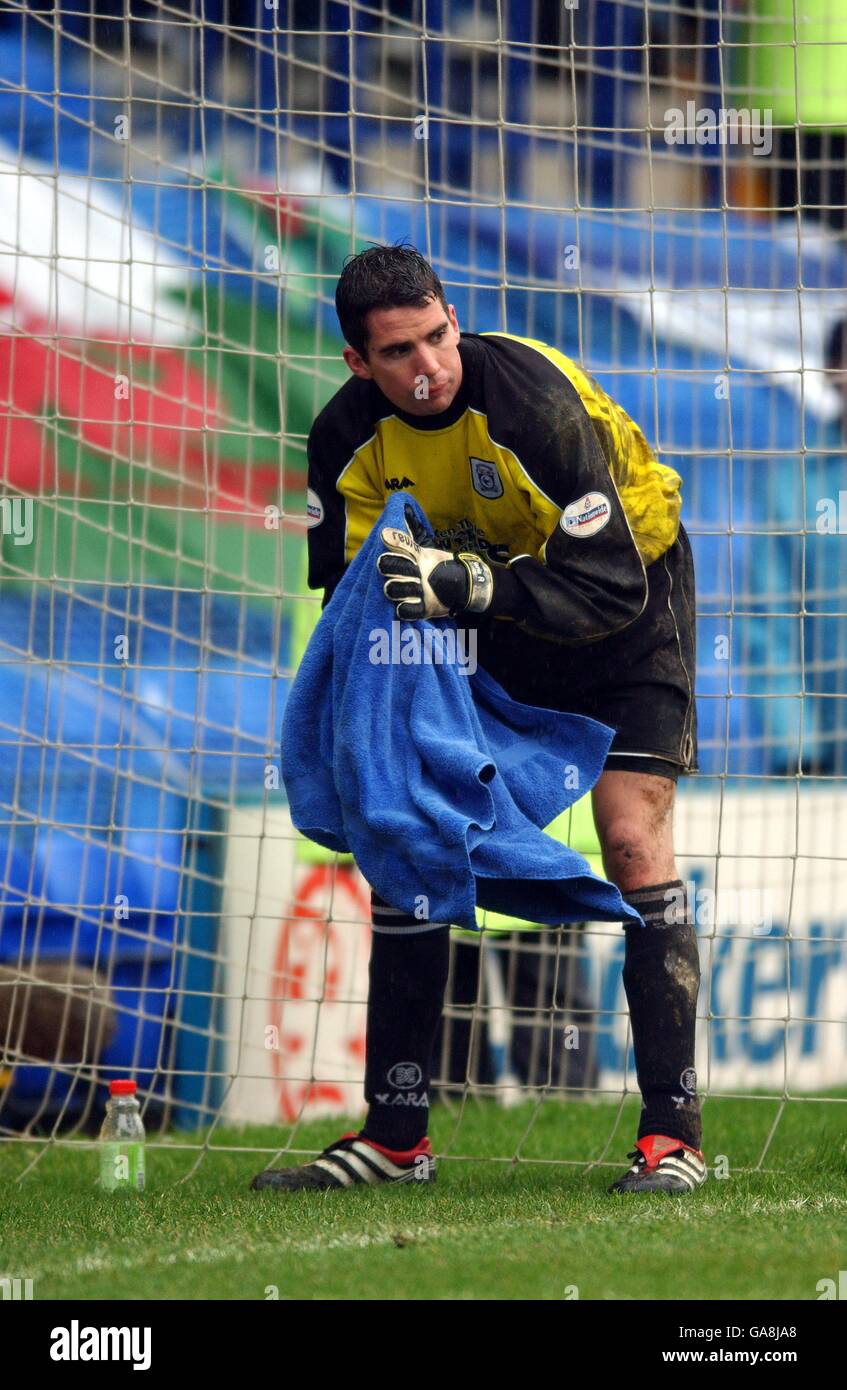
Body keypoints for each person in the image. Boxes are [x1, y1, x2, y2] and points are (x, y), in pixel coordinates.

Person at [251, 244, 705, 1196]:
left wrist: (470, 583)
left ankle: (672, 1136)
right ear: (355, 362)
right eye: (398, 352)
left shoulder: (532, 403)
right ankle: (395, 1139)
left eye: (437, 337)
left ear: (454, 318)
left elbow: (609, 580)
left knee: (631, 839)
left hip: (625, 606)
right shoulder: (342, 440)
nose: (427, 367)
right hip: (473, 619)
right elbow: (352, 597)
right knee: (410, 832)